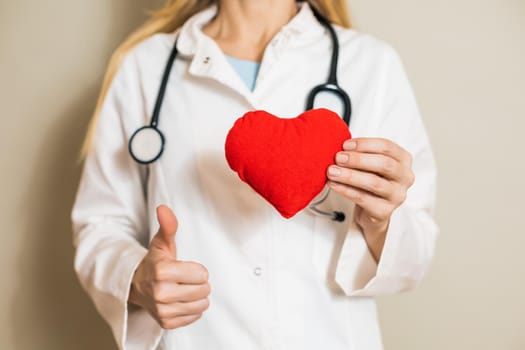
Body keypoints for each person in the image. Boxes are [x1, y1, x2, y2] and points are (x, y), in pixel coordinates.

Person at [71, 0, 438, 349]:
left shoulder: (372, 65)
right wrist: (137, 277)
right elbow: (100, 225)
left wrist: (379, 221)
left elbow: (415, 255)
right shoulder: (145, 67)